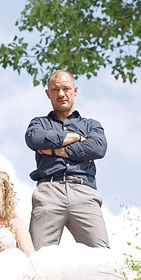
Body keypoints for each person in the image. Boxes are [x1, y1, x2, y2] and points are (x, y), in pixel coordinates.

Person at [25, 69, 110, 250]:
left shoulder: (91, 125)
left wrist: (55, 151)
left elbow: (98, 148)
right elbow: (34, 139)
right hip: (48, 190)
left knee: (102, 257)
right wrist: (77, 138)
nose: (61, 94)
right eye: (55, 90)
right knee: (37, 257)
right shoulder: (39, 124)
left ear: (75, 90)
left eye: (66, 88)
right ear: (48, 93)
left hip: (84, 191)